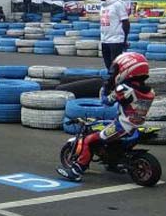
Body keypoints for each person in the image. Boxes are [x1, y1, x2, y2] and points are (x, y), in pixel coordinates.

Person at [57, 52, 154, 182]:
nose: (115, 73)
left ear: (128, 69)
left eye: (117, 70)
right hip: (135, 125)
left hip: (122, 126)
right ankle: (113, 163)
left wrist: (106, 87)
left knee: (89, 140)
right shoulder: (149, 91)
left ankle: (76, 171)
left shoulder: (124, 89)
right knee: (102, 125)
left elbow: (106, 102)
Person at [98, 0, 129, 72]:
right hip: (105, 40)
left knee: (115, 67)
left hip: (116, 40)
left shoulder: (117, 4)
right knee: (108, 66)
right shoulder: (102, 6)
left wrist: (125, 39)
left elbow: (126, 22)